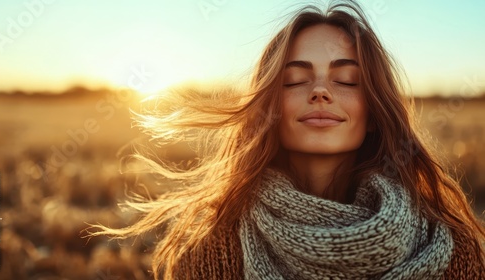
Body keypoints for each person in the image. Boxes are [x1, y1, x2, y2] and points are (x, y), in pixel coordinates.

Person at [92, 1, 485, 279]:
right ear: (270, 108)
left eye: (346, 80)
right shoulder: (212, 250)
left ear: (374, 114)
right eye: (294, 80)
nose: (320, 91)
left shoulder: (450, 251)